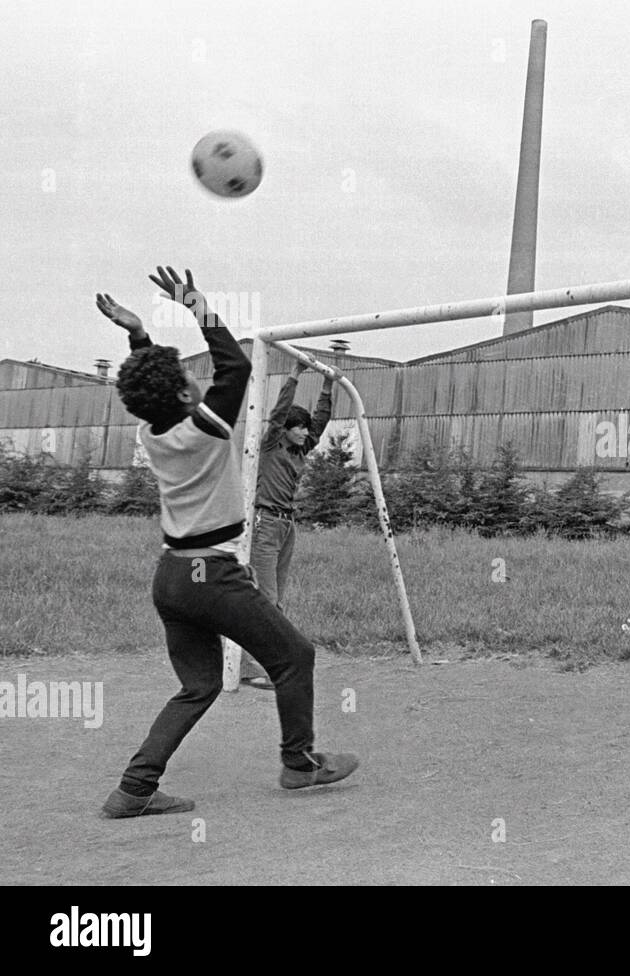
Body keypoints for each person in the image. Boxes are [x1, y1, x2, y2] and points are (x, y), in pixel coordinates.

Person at [94, 267, 358, 818]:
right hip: (208, 575)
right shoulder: (206, 428)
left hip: (171, 578)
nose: (193, 379)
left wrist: (139, 336)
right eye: (181, 376)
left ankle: (134, 790)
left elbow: (157, 388)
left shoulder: (153, 429)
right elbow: (233, 363)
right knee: (295, 656)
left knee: (198, 686)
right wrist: (196, 305)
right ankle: (298, 763)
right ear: (179, 390)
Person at [239, 358, 334, 690]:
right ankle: (252, 668)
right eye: (300, 427)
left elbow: (321, 423)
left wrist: (327, 385)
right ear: (287, 429)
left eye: (306, 428)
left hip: (286, 525)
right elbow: (279, 412)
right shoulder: (271, 443)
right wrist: (294, 375)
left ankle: (263, 663)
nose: (306, 432)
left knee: (275, 601)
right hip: (264, 522)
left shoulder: (300, 451)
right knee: (264, 600)